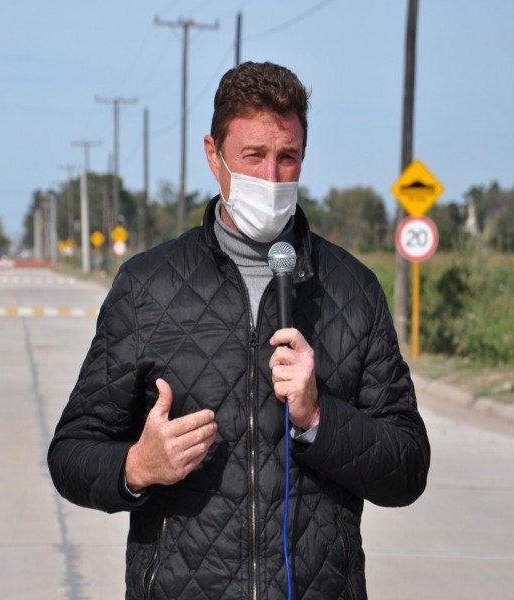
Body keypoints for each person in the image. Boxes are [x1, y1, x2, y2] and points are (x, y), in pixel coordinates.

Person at [48, 61, 430, 599]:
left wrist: (321, 417)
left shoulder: (352, 289)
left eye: (287, 157)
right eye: (253, 156)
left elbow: (408, 467)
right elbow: (71, 454)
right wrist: (137, 466)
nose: (271, 179)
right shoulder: (147, 286)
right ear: (215, 155)